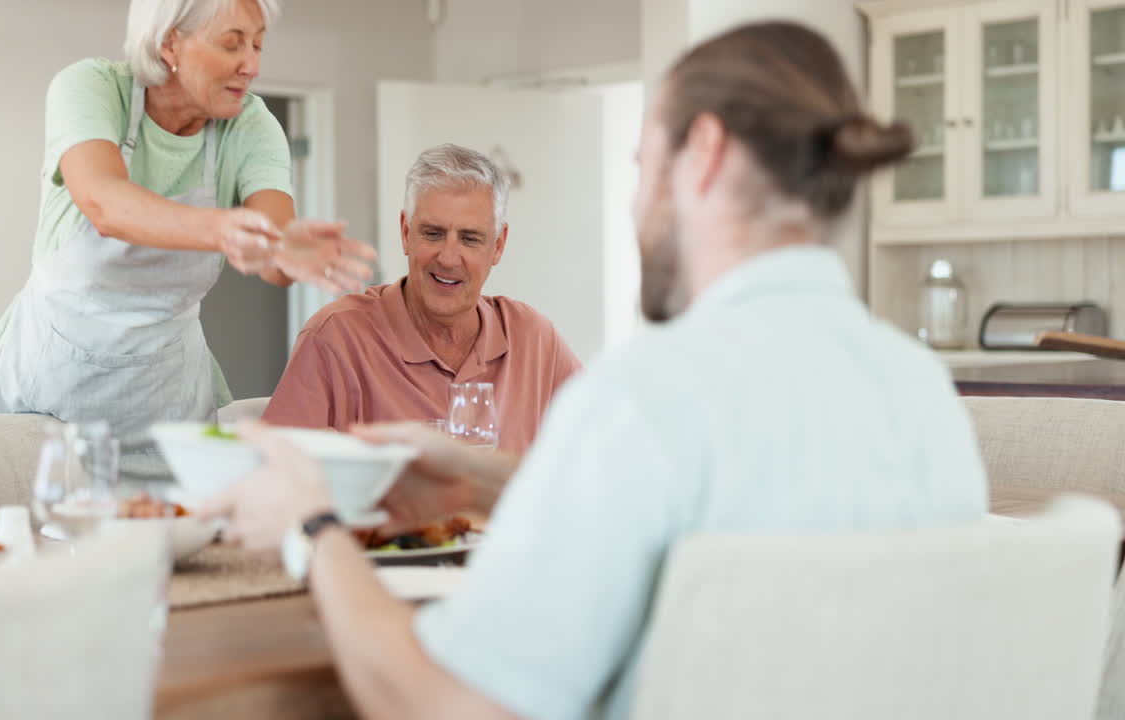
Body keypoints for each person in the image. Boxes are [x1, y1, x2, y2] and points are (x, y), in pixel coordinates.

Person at [203, 22, 988, 719]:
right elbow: (681, 522)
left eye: (642, 163)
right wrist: (488, 480)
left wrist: (317, 528)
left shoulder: (646, 401)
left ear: (703, 154)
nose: (634, 201)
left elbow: (443, 705)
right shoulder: (926, 398)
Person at [0, 0, 375, 473]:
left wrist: (284, 249)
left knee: (178, 541)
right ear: (169, 41)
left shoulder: (250, 127)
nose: (251, 66)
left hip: (167, 403)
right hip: (50, 394)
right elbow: (105, 202)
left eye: (257, 45)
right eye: (232, 43)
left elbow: (274, 247)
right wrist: (224, 229)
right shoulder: (93, 87)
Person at [262, 144, 581, 454]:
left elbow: (605, 445)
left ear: (498, 246)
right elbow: (273, 470)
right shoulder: (336, 337)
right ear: (405, 232)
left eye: (470, 239)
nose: (448, 257)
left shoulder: (535, 339)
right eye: (433, 233)